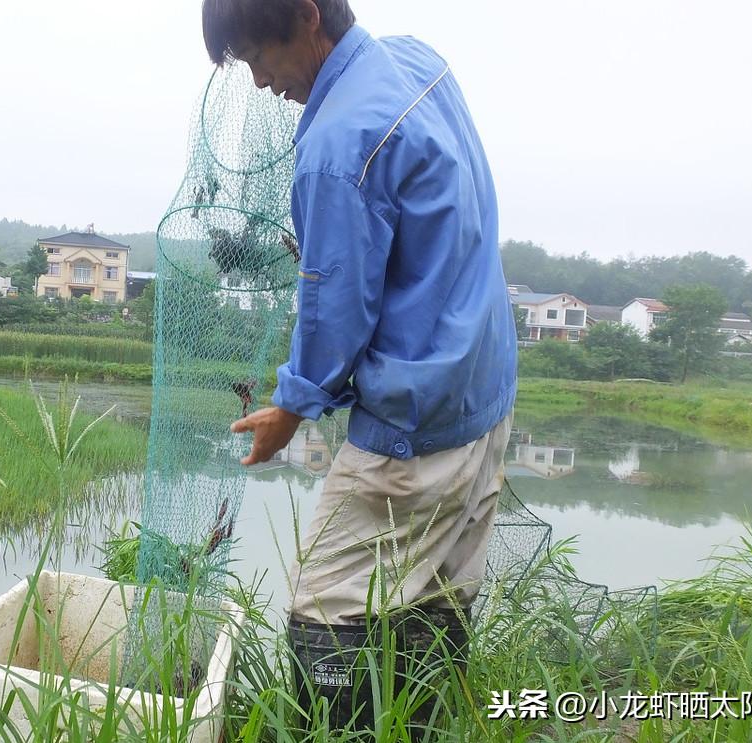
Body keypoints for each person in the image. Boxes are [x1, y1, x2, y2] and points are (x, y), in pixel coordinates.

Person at [205, 0, 518, 736]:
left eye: (259, 56)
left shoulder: (339, 142)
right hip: (483, 393)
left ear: (308, 17)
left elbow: (334, 309)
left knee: (325, 607)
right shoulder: (416, 61)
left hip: (414, 423)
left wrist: (290, 406)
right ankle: (421, 726)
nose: (260, 82)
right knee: (436, 597)